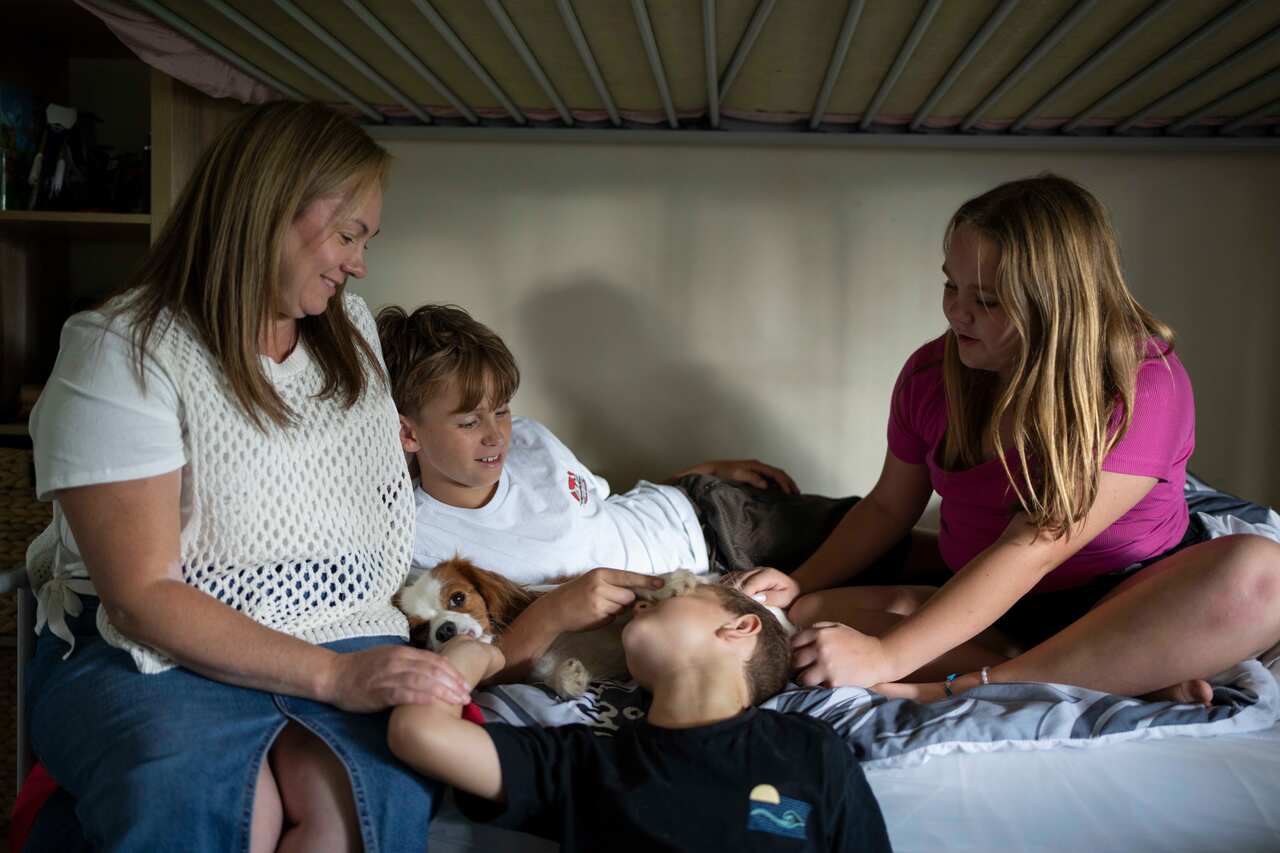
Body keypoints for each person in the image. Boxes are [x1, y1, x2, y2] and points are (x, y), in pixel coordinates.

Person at [23, 102, 470, 852]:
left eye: (367, 239)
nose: (359, 262)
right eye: (348, 232)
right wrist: (333, 679)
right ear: (265, 209)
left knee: (346, 801)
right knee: (217, 797)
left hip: (342, 627)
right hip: (146, 651)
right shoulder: (121, 351)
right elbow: (140, 599)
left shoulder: (350, 335)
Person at [737, 174, 1280, 704]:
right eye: (951, 285)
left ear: (1056, 306)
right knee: (809, 615)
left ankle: (988, 682)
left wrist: (888, 659)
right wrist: (798, 581)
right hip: (995, 606)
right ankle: (1112, 672)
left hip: (1127, 594)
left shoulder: (1142, 380)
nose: (957, 311)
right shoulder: (931, 374)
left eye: (989, 301)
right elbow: (886, 508)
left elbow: (1034, 548)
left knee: (1265, 575)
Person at [376, 303, 865, 680]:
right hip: (717, 585)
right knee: (862, 602)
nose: (494, 435)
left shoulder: (527, 440)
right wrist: (553, 612)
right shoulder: (420, 541)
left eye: (499, 410)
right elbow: (486, 657)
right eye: (468, 421)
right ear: (408, 434)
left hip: (710, 512)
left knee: (893, 541)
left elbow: (601, 507)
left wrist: (704, 472)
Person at [387, 582, 892, 852]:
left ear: (740, 627)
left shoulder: (809, 747)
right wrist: (486, 654)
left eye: (680, 591)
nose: (645, 600)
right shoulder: (582, 762)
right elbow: (420, 731)